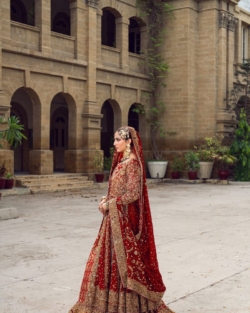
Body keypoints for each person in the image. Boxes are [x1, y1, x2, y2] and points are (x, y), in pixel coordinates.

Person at [69, 126, 174, 313]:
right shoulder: (122, 162)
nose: (115, 143)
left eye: (118, 139)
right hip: (114, 218)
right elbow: (120, 190)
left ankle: (128, 306)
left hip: (124, 220)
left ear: (129, 141)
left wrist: (111, 203)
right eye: (115, 139)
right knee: (108, 260)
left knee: (124, 262)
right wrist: (106, 199)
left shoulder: (132, 164)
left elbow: (133, 193)